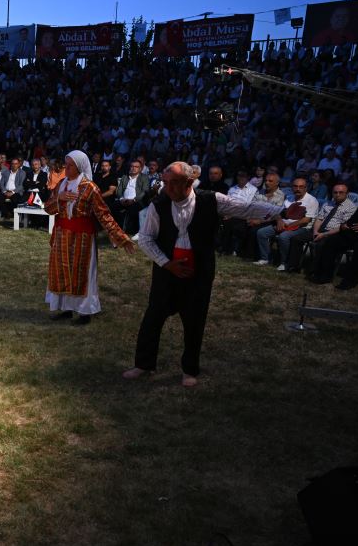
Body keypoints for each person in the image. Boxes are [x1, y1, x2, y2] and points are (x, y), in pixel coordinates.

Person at [123, 162, 307, 386]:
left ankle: (189, 369)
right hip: (167, 270)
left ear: (189, 183)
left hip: (199, 270)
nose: (168, 188)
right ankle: (143, 363)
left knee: (194, 319)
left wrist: (284, 212)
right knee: (153, 317)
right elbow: (146, 238)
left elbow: (245, 208)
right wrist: (166, 263)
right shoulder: (159, 204)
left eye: (174, 183)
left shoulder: (211, 200)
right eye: (165, 182)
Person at [44, 150, 135, 325]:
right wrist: (59, 199)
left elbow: (104, 215)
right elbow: (48, 209)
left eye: (70, 165)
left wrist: (121, 237)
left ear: (79, 167)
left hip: (82, 238)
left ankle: (85, 312)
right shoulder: (61, 184)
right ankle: (67, 308)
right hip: (62, 235)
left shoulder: (90, 188)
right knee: (63, 271)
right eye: (66, 164)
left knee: (81, 272)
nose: (67, 168)